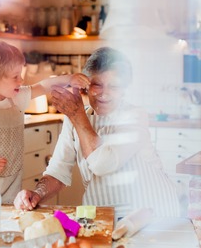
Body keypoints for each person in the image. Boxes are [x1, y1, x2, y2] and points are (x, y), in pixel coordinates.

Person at [14, 47, 180, 218]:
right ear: (86, 85)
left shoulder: (135, 116)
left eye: (114, 86)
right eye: (97, 84)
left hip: (150, 212)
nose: (104, 93)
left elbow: (103, 164)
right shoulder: (74, 118)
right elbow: (57, 172)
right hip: (103, 214)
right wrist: (37, 194)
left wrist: (77, 115)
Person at [0, 41, 90, 203]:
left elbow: (43, 86)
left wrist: (70, 79)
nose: (21, 80)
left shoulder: (17, 98)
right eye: (15, 76)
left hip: (8, 183)